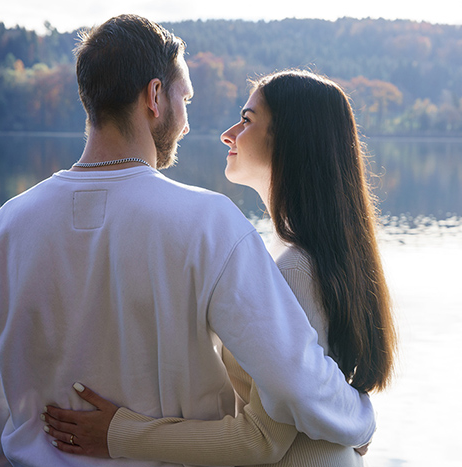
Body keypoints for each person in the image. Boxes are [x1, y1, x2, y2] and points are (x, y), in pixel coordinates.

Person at [0, 17, 375, 467]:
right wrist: (361, 418)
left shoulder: (2, 229)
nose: (187, 123)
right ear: (155, 96)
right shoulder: (210, 223)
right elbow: (296, 381)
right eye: (185, 99)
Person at [43, 70, 397, 466]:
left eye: (246, 121)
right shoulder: (302, 257)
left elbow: (260, 441)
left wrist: (118, 434)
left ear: (292, 139)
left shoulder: (296, 270)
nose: (228, 134)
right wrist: (359, 416)